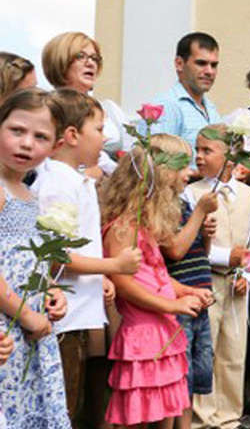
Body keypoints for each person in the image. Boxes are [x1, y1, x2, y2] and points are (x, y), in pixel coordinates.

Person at [30, 89, 143, 426]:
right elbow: (51, 255)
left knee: (76, 396)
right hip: (63, 317)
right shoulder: (56, 184)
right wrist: (114, 266)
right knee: (62, 402)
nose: (104, 137)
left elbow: (82, 248)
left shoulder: (74, 181)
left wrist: (102, 276)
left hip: (80, 313)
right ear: (71, 135)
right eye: (98, 128)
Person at [100, 140, 208, 429]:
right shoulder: (123, 226)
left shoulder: (144, 225)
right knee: (138, 412)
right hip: (141, 335)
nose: (190, 172)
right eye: (182, 166)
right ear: (161, 173)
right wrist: (172, 304)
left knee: (165, 408)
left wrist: (186, 290)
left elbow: (155, 275)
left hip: (163, 328)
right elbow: (124, 285)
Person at [187, 124, 250, 429]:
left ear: (230, 157)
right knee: (206, 351)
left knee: (233, 350)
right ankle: (202, 418)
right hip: (205, 280)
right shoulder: (192, 193)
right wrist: (223, 257)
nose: (200, 156)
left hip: (237, 286)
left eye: (207, 150)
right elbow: (190, 245)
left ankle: (230, 416)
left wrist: (248, 273)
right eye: (198, 150)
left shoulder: (248, 195)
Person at [0, 89, 70, 428]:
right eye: (17, 131)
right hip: (8, 329)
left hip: (28, 326)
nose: (27, 143)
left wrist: (50, 292)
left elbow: (29, 260)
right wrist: (26, 314)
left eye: (40, 136)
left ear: (56, 146)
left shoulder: (28, 194)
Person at [156, 134, 219, 429]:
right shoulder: (159, 207)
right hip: (177, 299)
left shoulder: (181, 202)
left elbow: (196, 251)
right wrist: (199, 214)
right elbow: (175, 250)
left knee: (195, 374)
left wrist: (204, 234)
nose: (190, 173)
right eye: (183, 167)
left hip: (198, 295)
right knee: (180, 375)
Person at [41, 32, 135, 176]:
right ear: (60, 60)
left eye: (94, 58)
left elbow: (133, 155)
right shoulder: (46, 109)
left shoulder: (110, 109)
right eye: (80, 56)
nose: (90, 63)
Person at [147, 32, 223, 151]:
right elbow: (153, 161)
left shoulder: (211, 108)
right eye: (201, 63)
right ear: (179, 64)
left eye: (214, 65)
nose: (209, 71)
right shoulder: (166, 106)